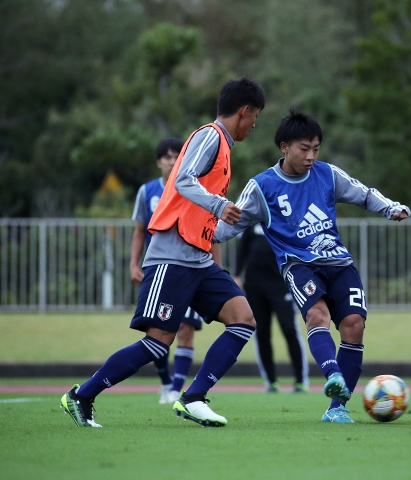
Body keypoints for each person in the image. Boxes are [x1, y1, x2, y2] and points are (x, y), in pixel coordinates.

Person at [60, 77, 265, 428]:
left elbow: (208, 220)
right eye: (255, 116)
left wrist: (242, 220)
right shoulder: (210, 136)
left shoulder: (226, 149)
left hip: (199, 257)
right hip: (172, 257)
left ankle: (194, 397)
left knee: (243, 320)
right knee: (158, 344)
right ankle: (81, 395)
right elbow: (184, 179)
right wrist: (219, 205)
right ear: (244, 112)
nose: (255, 124)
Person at [214, 110, 410, 423]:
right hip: (298, 265)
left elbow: (363, 194)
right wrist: (199, 230)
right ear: (284, 147)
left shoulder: (327, 174)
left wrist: (390, 208)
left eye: (316, 148)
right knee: (317, 314)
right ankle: (332, 375)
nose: (310, 156)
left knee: (354, 326)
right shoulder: (262, 186)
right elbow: (229, 228)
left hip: (339, 262)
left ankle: (337, 409)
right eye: (304, 148)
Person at [130, 137, 219, 405]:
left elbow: (210, 233)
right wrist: (134, 263)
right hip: (161, 267)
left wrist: (217, 269)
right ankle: (166, 382)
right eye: (166, 157)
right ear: (159, 162)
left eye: (176, 156)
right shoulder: (147, 192)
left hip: (194, 267)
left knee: (185, 328)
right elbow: (139, 231)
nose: (171, 161)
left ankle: (176, 388)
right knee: (158, 332)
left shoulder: (197, 190)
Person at [233, 224, 309, 393]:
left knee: (289, 329)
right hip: (254, 285)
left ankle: (300, 380)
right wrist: (237, 275)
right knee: (261, 332)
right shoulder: (252, 219)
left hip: (280, 284)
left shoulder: (283, 218)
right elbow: (243, 248)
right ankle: (271, 381)